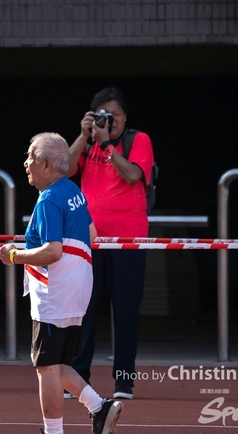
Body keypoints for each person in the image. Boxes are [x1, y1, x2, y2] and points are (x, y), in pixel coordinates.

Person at [0, 132, 123, 434]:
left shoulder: (49, 199)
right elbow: (91, 234)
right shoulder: (73, 191)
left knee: (46, 367)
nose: (26, 163)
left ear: (45, 164)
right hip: (78, 284)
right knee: (57, 363)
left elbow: (53, 251)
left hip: (55, 289)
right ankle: (99, 407)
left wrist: (14, 255)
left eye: (30, 157)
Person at [67, 87, 154, 400]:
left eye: (114, 115)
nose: (109, 121)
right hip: (89, 239)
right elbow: (64, 170)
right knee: (83, 310)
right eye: (102, 115)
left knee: (126, 310)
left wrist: (106, 144)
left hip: (128, 240)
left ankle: (124, 381)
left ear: (125, 117)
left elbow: (132, 175)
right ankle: (77, 378)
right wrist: (83, 136)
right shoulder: (88, 142)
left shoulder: (138, 140)